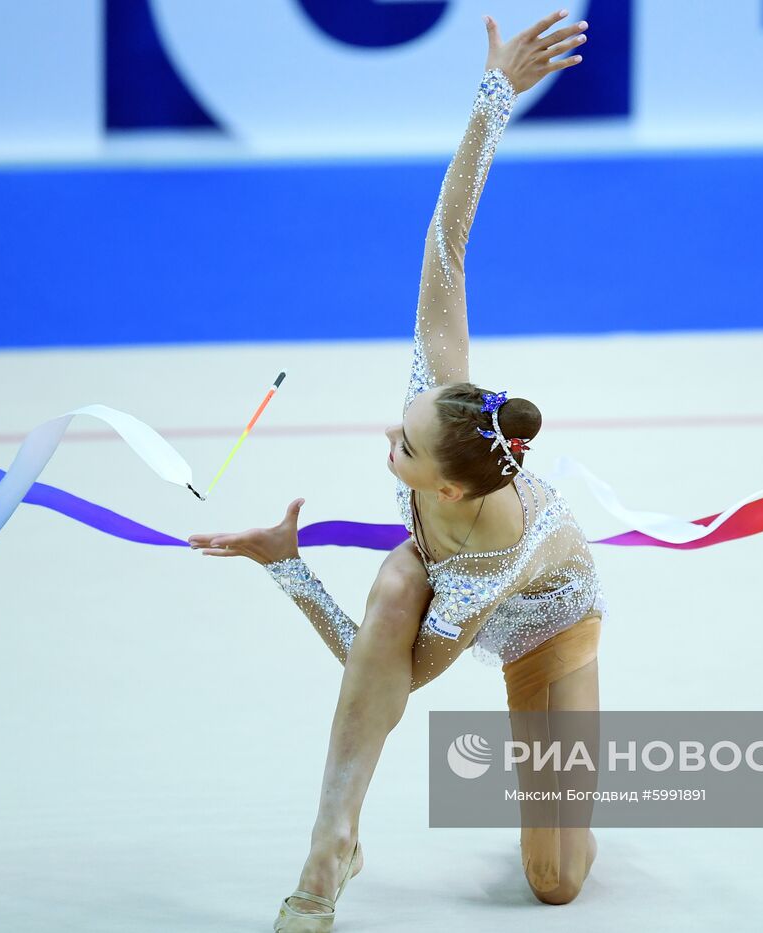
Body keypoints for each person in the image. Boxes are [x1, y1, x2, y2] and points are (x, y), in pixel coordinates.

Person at [188, 10, 601, 929]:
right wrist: (493, 97)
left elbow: (398, 681)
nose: (390, 434)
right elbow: (445, 240)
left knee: (558, 880)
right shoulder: (447, 405)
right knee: (390, 590)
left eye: (400, 447)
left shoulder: (501, 555)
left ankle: (572, 798)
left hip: (545, 623)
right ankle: (332, 841)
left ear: (449, 486)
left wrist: (288, 569)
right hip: (431, 562)